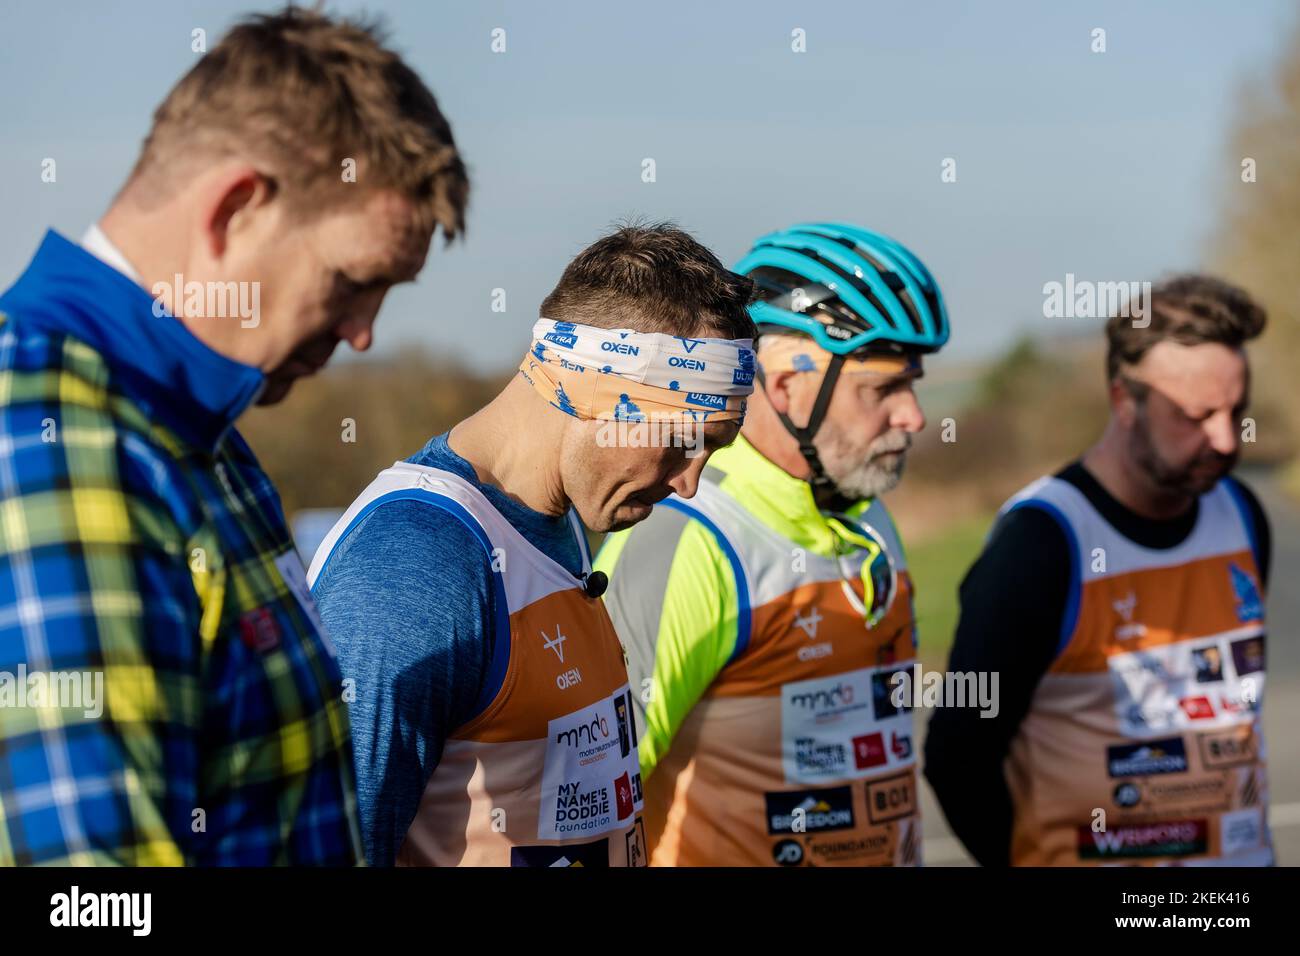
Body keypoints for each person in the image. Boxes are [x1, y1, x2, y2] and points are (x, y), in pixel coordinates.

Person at [0, 8, 468, 866]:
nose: (363, 334)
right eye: (353, 282)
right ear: (238, 208)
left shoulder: (204, 436)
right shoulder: (58, 442)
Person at [308, 222, 756, 866]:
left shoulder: (564, 518)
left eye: (712, 451)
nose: (689, 483)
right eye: (686, 439)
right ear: (597, 389)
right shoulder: (414, 559)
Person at [594, 223, 950, 866]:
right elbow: (588, 802)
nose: (914, 416)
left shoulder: (867, 517)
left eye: (914, 383)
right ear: (786, 387)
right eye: (884, 388)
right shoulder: (687, 535)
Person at [925, 276, 1273, 866]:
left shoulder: (1240, 512)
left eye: (1235, 411)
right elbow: (958, 756)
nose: (1224, 437)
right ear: (1123, 400)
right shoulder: (1043, 541)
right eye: (1196, 414)